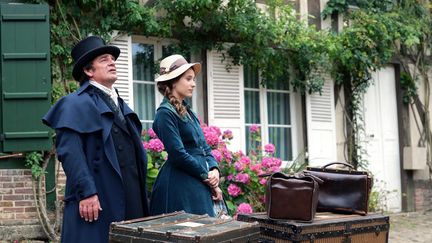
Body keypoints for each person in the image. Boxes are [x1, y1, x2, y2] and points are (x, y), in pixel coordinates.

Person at [42, 36, 149, 243]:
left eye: (112, 58)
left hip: (132, 193)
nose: (112, 62)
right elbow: (70, 153)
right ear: (88, 71)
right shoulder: (73, 104)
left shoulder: (120, 103)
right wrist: (87, 192)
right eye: (104, 59)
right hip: (99, 196)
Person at [150, 54, 223, 217]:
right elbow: (178, 155)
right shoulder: (165, 114)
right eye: (188, 79)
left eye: (193, 79)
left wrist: (214, 169)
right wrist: (206, 177)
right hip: (180, 184)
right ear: (173, 81)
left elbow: (204, 146)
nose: (193, 84)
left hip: (197, 181)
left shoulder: (189, 112)